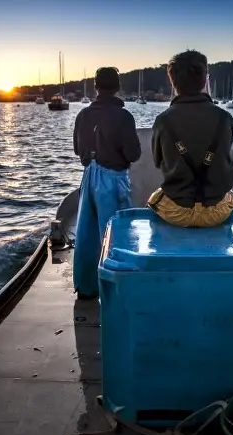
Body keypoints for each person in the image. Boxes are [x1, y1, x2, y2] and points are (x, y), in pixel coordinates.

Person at [72, 67, 141, 299]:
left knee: (86, 234)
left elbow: (76, 149)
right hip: (112, 178)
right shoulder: (123, 116)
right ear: (118, 86)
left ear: (96, 87)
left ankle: (86, 287)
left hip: (88, 176)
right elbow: (133, 154)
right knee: (115, 234)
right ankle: (115, 291)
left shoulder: (82, 115)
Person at [147, 50, 233, 227]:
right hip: (216, 212)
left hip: (176, 212)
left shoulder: (163, 121)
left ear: (173, 81)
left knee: (154, 199)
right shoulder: (225, 118)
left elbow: (158, 162)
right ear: (205, 79)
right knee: (231, 197)